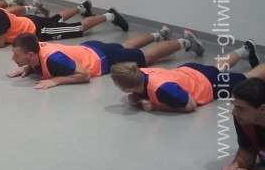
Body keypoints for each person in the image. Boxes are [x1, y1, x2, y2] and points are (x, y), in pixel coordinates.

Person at [6, 27, 204, 89]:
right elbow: (38, 61)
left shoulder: (53, 59)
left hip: (103, 58)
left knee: (146, 57)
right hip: (90, 48)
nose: (13, 57)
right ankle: (159, 34)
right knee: (126, 47)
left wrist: (55, 81)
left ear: (30, 54)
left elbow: (84, 75)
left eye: (16, 54)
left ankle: (185, 41)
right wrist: (28, 67)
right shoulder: (35, 51)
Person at [110, 38, 264, 112]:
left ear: (127, 89)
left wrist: (157, 106)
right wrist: (137, 97)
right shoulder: (139, 71)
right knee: (217, 66)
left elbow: (190, 105)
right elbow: (142, 88)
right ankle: (244, 50)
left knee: (248, 78)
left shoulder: (163, 90)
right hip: (189, 70)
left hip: (207, 84)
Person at [0, 0, 128, 48]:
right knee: (56, 19)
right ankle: (82, 8)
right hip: (29, 21)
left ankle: (110, 16)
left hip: (37, 30)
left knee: (77, 28)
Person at [222, 77, 265, 170]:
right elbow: (247, 151)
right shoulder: (244, 120)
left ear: (262, 109)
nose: (234, 112)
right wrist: (235, 167)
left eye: (240, 108)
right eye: (234, 105)